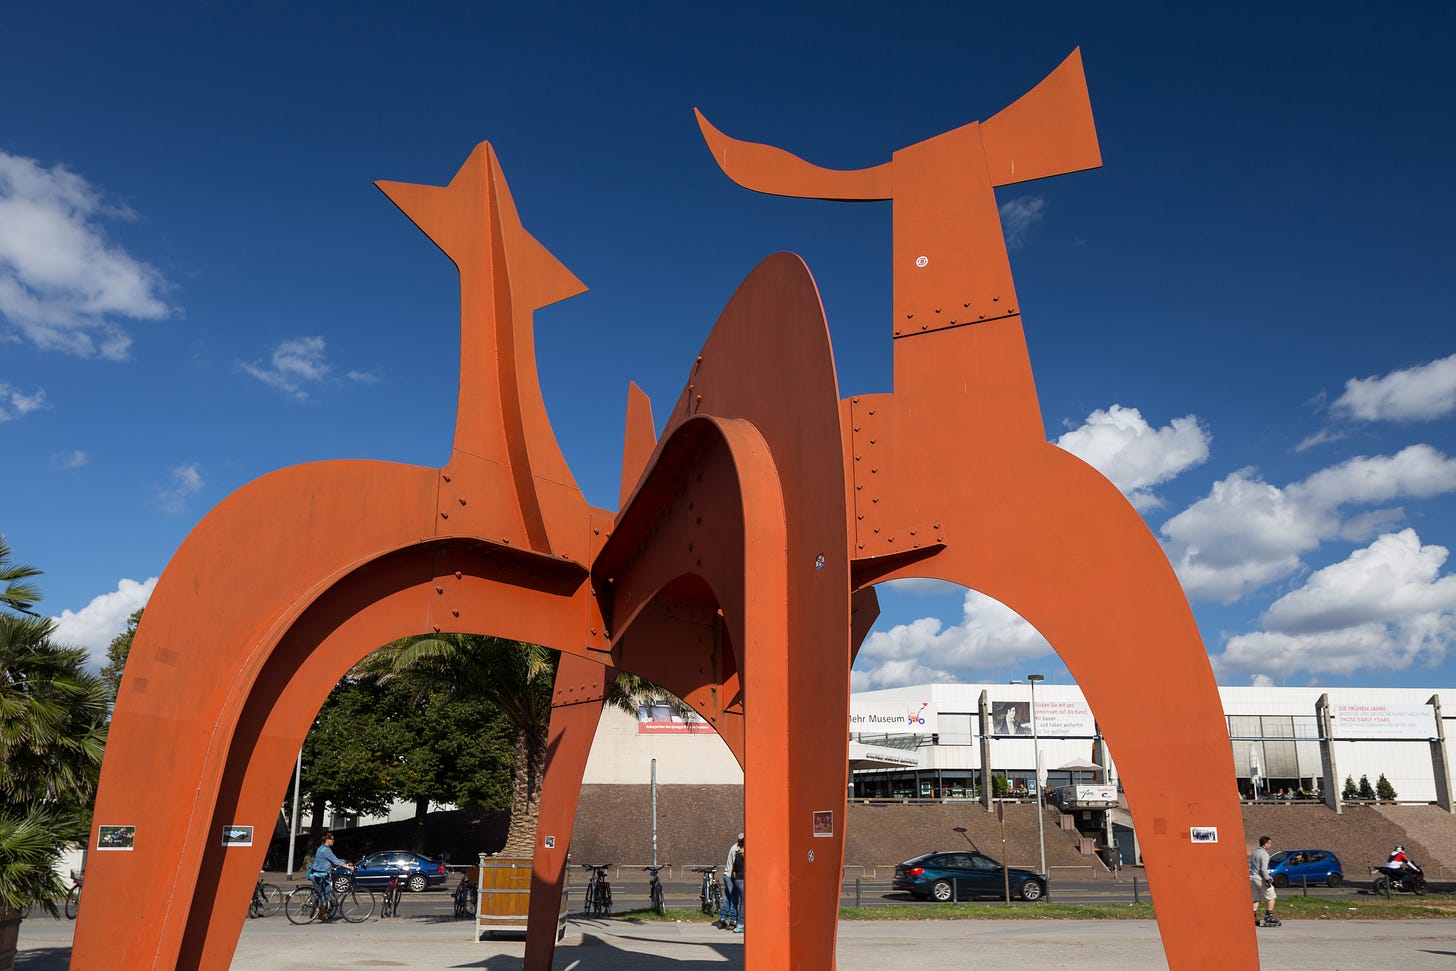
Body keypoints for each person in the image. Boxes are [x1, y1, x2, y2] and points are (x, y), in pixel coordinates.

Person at [307, 832, 355, 918]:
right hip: (320, 874)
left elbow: (328, 860)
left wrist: (339, 863)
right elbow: (335, 860)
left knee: (320, 892)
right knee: (327, 889)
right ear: (327, 840)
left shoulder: (321, 848)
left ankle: (317, 908)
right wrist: (348, 866)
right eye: (332, 839)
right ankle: (320, 911)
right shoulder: (326, 850)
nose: (333, 841)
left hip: (314, 873)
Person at [1249, 835, 1279, 927]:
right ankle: (1269, 916)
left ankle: (1253, 916)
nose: (1270, 845)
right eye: (1270, 843)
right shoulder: (1264, 854)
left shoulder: (1255, 853)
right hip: (1260, 878)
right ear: (1265, 844)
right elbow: (1263, 869)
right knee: (1271, 896)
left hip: (1252, 877)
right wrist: (1267, 878)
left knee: (1255, 897)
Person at [716, 833, 743, 929]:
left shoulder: (733, 847)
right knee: (734, 898)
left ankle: (723, 918)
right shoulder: (737, 849)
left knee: (728, 896)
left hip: (727, 874)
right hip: (731, 876)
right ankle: (733, 920)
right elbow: (736, 866)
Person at [731, 834, 745, 934]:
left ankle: (740, 923)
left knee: (742, 901)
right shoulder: (745, 856)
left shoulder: (737, 854)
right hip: (744, 880)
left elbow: (734, 870)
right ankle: (740, 924)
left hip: (738, 880)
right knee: (744, 902)